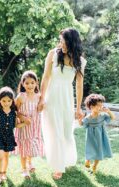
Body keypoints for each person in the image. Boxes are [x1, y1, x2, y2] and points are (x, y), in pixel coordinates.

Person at [39, 28, 87, 179]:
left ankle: (66, 159)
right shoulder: (53, 54)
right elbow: (46, 77)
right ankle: (58, 166)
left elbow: (79, 85)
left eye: (63, 41)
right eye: (59, 41)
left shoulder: (80, 60)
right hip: (52, 96)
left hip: (67, 98)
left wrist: (78, 107)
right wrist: (41, 98)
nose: (61, 44)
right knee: (55, 132)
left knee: (66, 132)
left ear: (72, 42)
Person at [13, 71, 44, 178]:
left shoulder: (39, 96)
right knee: (23, 147)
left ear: (36, 83)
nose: (30, 85)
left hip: (34, 126)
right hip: (24, 126)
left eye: (32, 82)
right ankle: (23, 168)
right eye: (27, 83)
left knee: (30, 146)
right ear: (22, 84)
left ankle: (30, 162)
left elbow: (41, 108)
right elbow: (14, 110)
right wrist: (23, 118)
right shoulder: (21, 97)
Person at [79, 94, 114, 174]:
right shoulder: (88, 118)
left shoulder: (102, 115)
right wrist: (80, 118)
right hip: (91, 137)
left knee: (99, 150)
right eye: (98, 105)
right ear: (91, 107)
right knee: (90, 148)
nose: (100, 107)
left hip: (101, 136)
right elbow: (82, 124)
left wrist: (109, 111)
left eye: (101, 105)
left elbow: (112, 118)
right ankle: (87, 160)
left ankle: (95, 165)